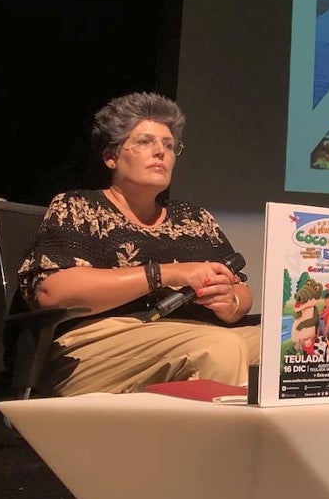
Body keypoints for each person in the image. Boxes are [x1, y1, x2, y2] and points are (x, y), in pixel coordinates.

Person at [17, 92, 259, 396]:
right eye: (145, 142)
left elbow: (241, 288)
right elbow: (53, 291)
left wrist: (231, 303)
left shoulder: (195, 218)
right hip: (101, 342)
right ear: (111, 156)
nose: (160, 152)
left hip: (198, 332)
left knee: (295, 345)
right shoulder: (79, 207)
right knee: (219, 348)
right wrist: (167, 274)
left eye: (169, 146)